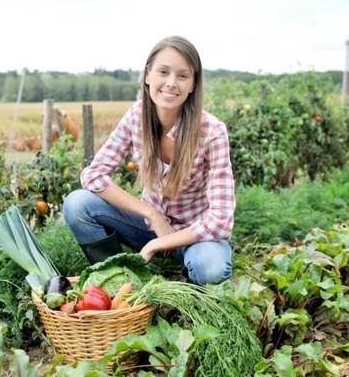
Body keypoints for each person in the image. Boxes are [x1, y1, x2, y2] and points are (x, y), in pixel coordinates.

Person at [62, 35, 235, 285]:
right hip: (145, 227)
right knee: (77, 204)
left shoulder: (212, 132)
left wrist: (159, 242)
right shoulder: (136, 117)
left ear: (193, 84)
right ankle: (121, 281)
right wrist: (152, 214)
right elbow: (93, 175)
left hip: (194, 236)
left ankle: (189, 286)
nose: (171, 83)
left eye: (182, 76)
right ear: (147, 75)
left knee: (209, 267)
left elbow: (220, 221)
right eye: (163, 72)